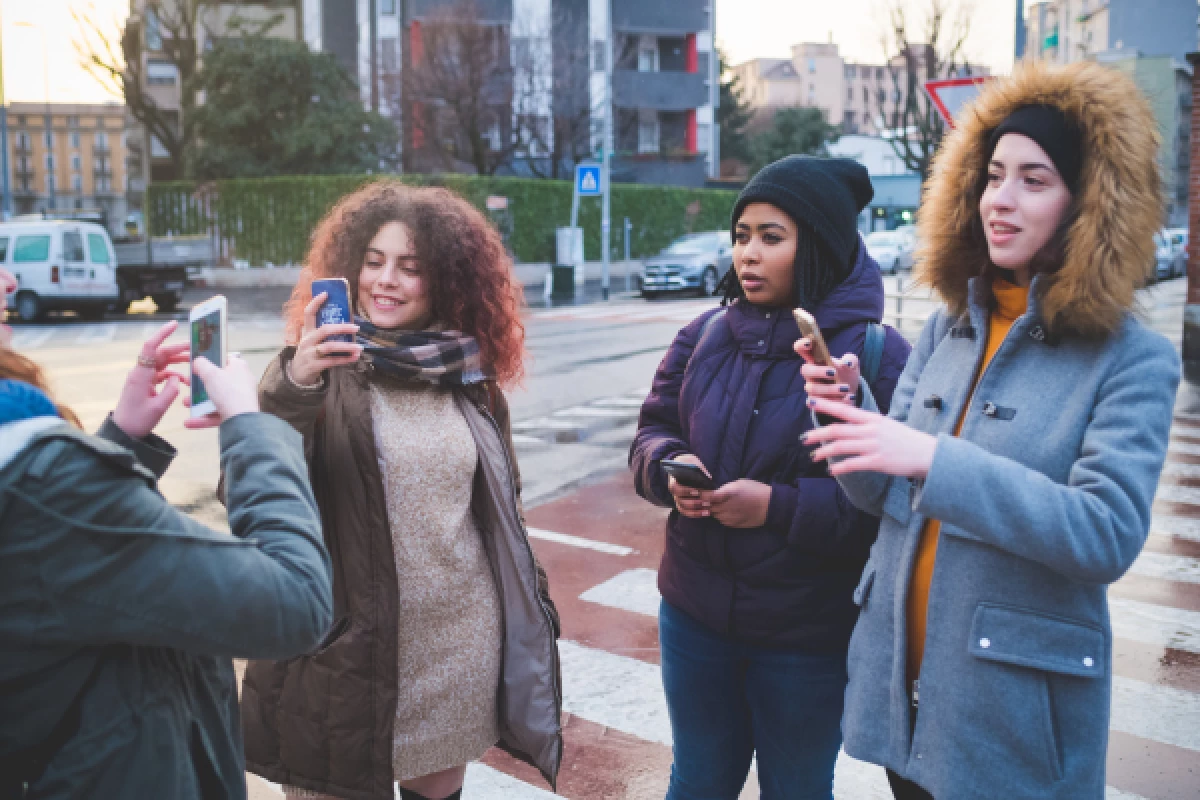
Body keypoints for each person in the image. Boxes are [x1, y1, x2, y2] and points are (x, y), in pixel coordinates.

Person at [800, 61, 1180, 800]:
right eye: (994, 175)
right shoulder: (952, 324)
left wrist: (931, 458)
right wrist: (850, 412)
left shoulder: (1133, 358)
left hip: (1010, 723)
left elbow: (1104, 534)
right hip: (902, 696)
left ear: (1090, 205)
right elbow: (880, 496)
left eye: (1034, 181)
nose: (1000, 201)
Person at [240, 181, 561, 800]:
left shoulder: (470, 377)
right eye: (374, 261)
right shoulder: (314, 369)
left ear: (444, 282)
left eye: (410, 268)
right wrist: (296, 384)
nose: (385, 281)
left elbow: (502, 507)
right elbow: (250, 489)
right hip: (340, 649)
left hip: (453, 644)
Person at [629, 156, 912, 799]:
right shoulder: (703, 334)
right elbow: (651, 432)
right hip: (695, 615)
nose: (748, 254)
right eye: (742, 235)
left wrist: (776, 508)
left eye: (772, 237)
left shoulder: (878, 356)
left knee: (798, 788)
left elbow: (891, 505)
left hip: (808, 634)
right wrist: (669, 472)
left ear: (817, 246)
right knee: (698, 781)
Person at [0, 267, 334, 799]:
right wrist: (250, 426)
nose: (10, 278)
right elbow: (295, 600)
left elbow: (56, 577)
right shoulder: (42, 483)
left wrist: (120, 442)